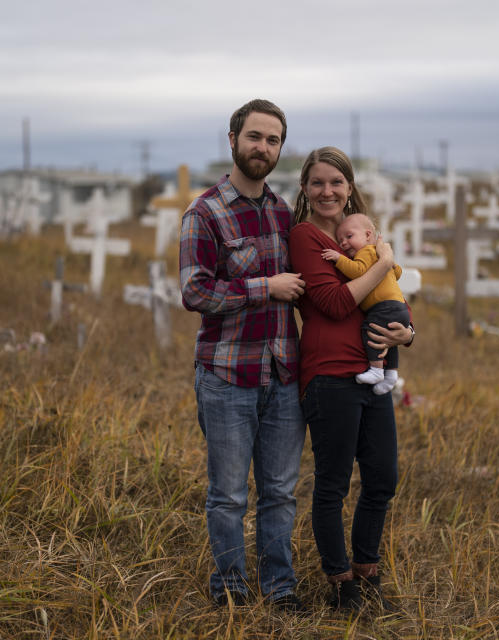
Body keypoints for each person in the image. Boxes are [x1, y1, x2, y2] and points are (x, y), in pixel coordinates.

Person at [179, 99, 307, 611]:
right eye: (255, 137)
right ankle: (230, 589)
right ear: (232, 139)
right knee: (229, 495)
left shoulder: (281, 212)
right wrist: (264, 288)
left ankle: (280, 589)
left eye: (273, 140)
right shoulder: (203, 213)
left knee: (280, 492)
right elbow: (195, 293)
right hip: (228, 376)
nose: (263, 148)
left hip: (284, 376)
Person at [289, 146, 414, 611]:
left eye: (336, 182)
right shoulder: (304, 237)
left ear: (349, 187)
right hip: (329, 376)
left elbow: (391, 295)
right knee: (333, 485)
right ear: (304, 188)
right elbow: (339, 303)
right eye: (318, 183)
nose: (327, 191)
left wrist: (408, 331)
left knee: (383, 478)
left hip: (372, 371)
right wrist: (382, 259)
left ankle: (367, 570)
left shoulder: (360, 234)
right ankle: (341, 584)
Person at [321, 213, 410, 395]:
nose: (344, 243)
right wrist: (389, 264)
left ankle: (377, 370)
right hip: (399, 307)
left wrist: (339, 258)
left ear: (368, 235)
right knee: (388, 340)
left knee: (370, 330)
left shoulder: (366, 252)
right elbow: (398, 273)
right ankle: (391, 373)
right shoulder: (378, 255)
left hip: (383, 306)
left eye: (349, 236)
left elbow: (357, 271)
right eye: (340, 240)